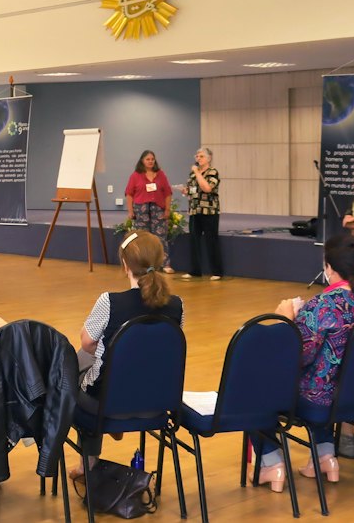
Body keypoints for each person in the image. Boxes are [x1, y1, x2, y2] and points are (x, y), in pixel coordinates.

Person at [255, 235, 354, 488]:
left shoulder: (322, 306)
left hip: (322, 400)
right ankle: (323, 457)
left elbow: (294, 359)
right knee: (321, 381)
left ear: (329, 268)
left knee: (256, 387)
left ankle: (271, 463)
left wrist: (285, 320)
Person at [74, 229, 182, 469]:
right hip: (157, 402)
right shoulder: (177, 306)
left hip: (107, 404)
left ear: (125, 265)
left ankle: (87, 463)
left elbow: (87, 343)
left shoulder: (110, 302)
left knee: (74, 366)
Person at [123, 150, 175, 265]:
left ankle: (164, 264)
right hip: (141, 210)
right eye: (148, 159)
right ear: (142, 160)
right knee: (142, 238)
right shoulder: (135, 175)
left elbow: (168, 193)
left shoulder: (161, 174)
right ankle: (143, 264)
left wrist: (167, 209)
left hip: (158, 209)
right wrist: (130, 211)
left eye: (152, 159)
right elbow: (129, 194)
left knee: (160, 237)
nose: (151, 161)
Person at [178, 147, 222, 280]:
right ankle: (194, 270)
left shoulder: (212, 172)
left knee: (211, 240)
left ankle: (216, 271)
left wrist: (197, 173)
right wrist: (185, 191)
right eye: (197, 156)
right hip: (194, 210)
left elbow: (207, 188)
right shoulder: (192, 174)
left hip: (209, 211)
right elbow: (193, 189)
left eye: (201, 156)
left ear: (208, 158)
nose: (198, 158)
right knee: (194, 240)